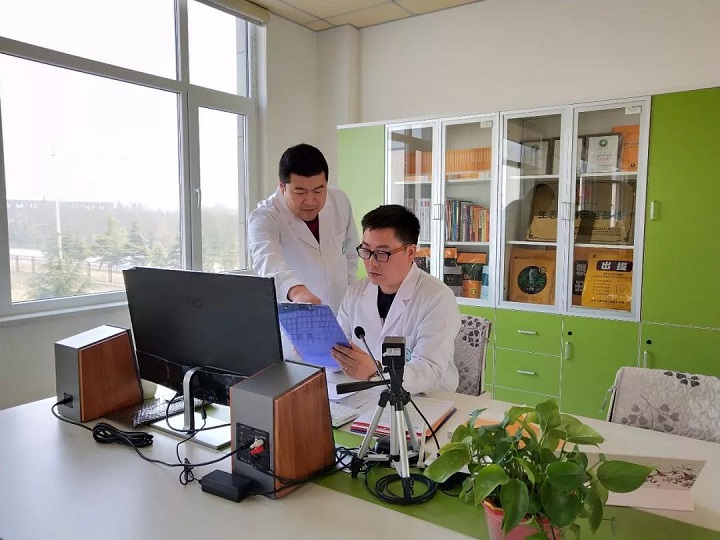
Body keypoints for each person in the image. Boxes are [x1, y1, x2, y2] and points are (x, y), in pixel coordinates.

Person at [331, 205, 461, 395]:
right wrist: (315, 349)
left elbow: (429, 371)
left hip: (424, 399)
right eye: (366, 251)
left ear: (410, 252)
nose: (371, 263)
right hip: (366, 394)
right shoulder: (356, 293)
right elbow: (339, 348)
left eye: (382, 253)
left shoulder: (437, 298)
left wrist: (376, 372)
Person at [248, 143, 359, 313]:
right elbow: (268, 263)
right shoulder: (265, 217)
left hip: (342, 311)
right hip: (298, 314)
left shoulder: (339, 200)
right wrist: (297, 292)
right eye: (300, 192)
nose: (310, 201)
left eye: (318, 190)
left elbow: (351, 253)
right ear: (282, 187)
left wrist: (351, 298)